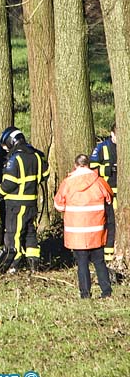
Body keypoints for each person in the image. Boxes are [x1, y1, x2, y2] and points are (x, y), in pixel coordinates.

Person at [54, 154, 114, 299]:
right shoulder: (99, 181)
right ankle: (106, 291)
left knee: (82, 263)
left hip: (77, 232)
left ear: (75, 165)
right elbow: (109, 198)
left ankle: (85, 294)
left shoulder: (67, 183)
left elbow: (58, 205)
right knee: (99, 261)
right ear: (89, 165)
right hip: (96, 230)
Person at [0, 127, 49, 273]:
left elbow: (9, 183)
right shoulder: (36, 156)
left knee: (14, 234)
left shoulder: (15, 159)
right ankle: (33, 264)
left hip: (16, 204)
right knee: (30, 233)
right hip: (32, 203)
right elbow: (45, 174)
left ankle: (14, 264)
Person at [90, 123, 118, 265]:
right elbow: (92, 169)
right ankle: (108, 255)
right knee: (110, 224)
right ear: (112, 134)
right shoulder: (102, 148)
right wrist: (109, 170)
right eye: (116, 136)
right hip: (108, 193)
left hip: (122, 194)